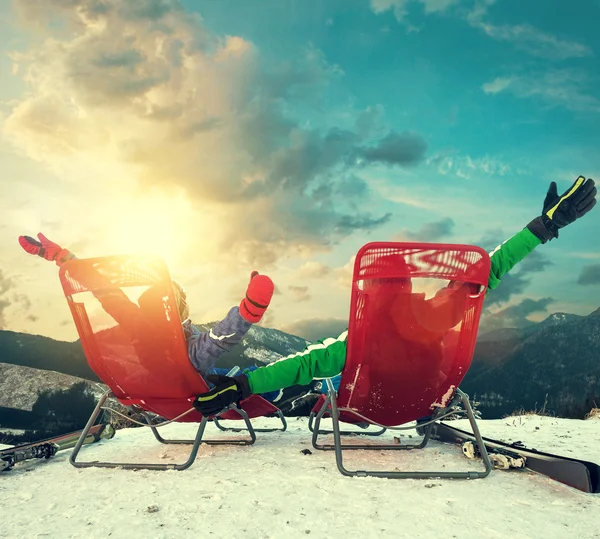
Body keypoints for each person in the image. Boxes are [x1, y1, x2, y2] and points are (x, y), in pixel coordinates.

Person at [192, 175, 597, 416]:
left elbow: (299, 366)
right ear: (406, 286)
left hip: (370, 409)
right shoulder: (434, 314)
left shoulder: (359, 340)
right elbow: (488, 271)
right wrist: (543, 227)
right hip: (419, 406)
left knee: (321, 382)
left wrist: (243, 386)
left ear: (368, 290)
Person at [17, 233, 280, 398]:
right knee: (245, 376)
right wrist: (247, 312)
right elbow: (219, 339)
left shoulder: (140, 333)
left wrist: (66, 259)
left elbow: (108, 294)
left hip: (155, 389)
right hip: (196, 386)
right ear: (176, 311)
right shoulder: (185, 352)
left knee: (224, 369)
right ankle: (279, 390)